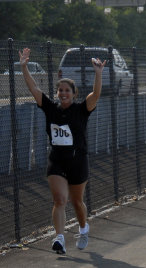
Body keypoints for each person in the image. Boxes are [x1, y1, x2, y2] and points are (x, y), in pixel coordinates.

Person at [19, 48, 106, 254]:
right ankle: (59, 238)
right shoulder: (51, 108)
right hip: (57, 159)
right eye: (60, 91)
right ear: (57, 94)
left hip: (78, 160)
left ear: (74, 94)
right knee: (59, 199)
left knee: (76, 202)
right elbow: (34, 89)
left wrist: (98, 73)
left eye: (67, 90)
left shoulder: (81, 110)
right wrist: (24, 67)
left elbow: (96, 94)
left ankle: (83, 228)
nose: (63, 93)